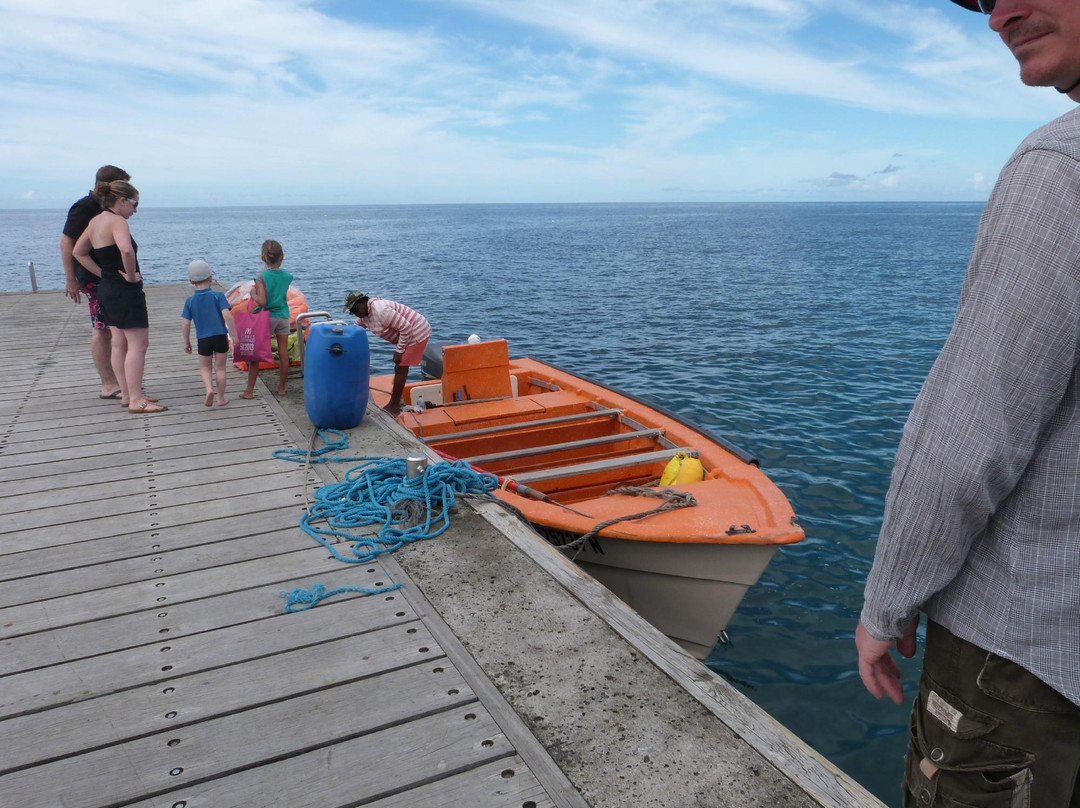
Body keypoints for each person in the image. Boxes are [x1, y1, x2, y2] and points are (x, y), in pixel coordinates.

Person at [856, 1, 1080, 806]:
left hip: (1026, 659)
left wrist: (888, 603)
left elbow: (969, 437)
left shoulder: (1062, 167)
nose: (997, 16)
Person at [73, 180, 166, 414]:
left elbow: (78, 252)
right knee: (138, 344)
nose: (135, 210)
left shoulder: (95, 221)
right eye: (135, 204)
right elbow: (125, 249)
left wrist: (104, 273)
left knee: (119, 342)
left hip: (106, 288)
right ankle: (136, 400)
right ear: (122, 201)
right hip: (124, 290)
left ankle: (127, 394)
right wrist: (132, 275)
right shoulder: (117, 221)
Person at [61, 165, 128, 399]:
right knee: (102, 329)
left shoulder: (106, 208)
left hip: (110, 278)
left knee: (114, 329)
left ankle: (120, 381)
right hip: (95, 278)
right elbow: (67, 243)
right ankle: (108, 384)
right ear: (107, 184)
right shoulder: (84, 207)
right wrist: (71, 278)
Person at [343, 291, 431, 414]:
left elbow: (406, 328)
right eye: (351, 311)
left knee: (401, 367)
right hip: (406, 334)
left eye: (355, 308)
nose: (355, 313)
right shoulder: (364, 316)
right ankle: (396, 400)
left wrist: (399, 350)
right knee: (399, 367)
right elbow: (355, 330)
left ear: (363, 302)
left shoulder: (382, 312)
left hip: (416, 331)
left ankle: (394, 406)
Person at [241, 239, 291, 399]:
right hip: (283, 316)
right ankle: (281, 387)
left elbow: (262, 301)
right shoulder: (287, 276)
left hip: (266, 318)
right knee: (283, 353)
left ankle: (249, 391)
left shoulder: (260, 276)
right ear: (281, 256)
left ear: (263, 257)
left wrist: (252, 293)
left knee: (255, 355)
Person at [182, 259, 236, 408]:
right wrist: (234, 335)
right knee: (220, 368)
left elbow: (186, 323)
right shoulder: (218, 296)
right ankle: (221, 398)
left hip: (203, 339)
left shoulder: (190, 301)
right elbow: (227, 316)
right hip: (220, 337)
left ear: (191, 281)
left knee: (205, 368)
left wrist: (186, 342)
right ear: (211, 278)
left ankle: (209, 389)